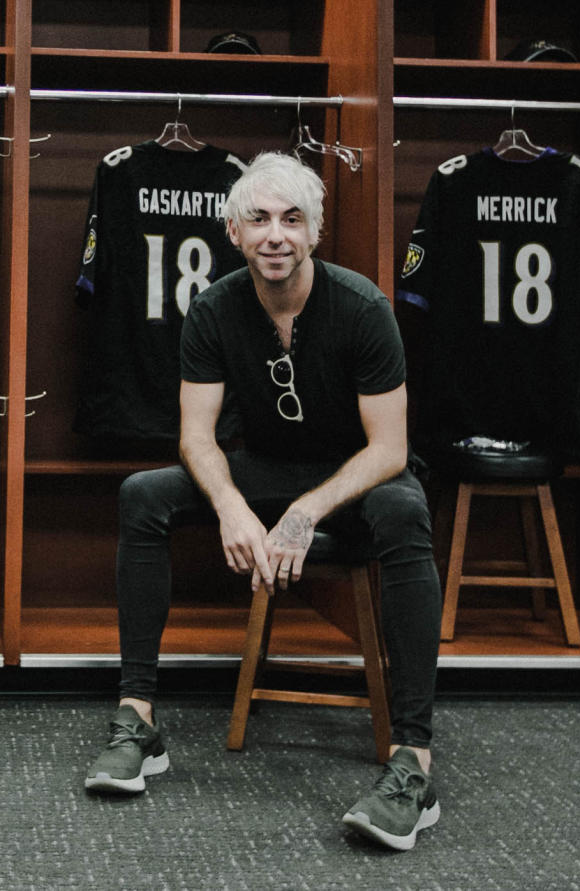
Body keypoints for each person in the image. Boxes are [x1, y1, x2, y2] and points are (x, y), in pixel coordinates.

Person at [84, 152, 443, 852]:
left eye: (292, 219)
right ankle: (137, 720)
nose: (275, 234)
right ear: (233, 231)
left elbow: (389, 449)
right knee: (142, 495)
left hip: (354, 474)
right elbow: (195, 436)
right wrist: (231, 506)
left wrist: (304, 513)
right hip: (264, 466)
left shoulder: (363, 308)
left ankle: (414, 764)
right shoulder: (215, 308)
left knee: (406, 510)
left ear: (314, 232)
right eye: (259, 219)